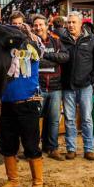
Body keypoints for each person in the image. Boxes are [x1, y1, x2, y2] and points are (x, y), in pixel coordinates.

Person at [0, 24, 44, 187]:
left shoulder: (30, 49)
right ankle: (13, 180)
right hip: (8, 103)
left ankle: (38, 183)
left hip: (28, 102)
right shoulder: (6, 53)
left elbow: (36, 50)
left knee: (31, 145)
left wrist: (27, 38)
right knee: (7, 145)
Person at [60, 11, 94, 160]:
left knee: (86, 118)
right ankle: (71, 149)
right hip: (67, 86)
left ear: (81, 24)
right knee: (69, 119)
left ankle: (89, 149)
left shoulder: (92, 39)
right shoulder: (62, 39)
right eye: (69, 22)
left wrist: (93, 78)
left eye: (74, 22)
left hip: (85, 85)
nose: (71, 25)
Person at [32, 14, 69, 160]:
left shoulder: (56, 41)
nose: (38, 27)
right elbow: (33, 62)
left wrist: (45, 56)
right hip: (37, 87)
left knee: (54, 119)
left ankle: (52, 148)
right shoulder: (31, 42)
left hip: (55, 87)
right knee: (34, 119)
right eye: (36, 25)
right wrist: (53, 59)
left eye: (41, 25)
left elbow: (65, 57)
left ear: (47, 26)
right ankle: (34, 148)